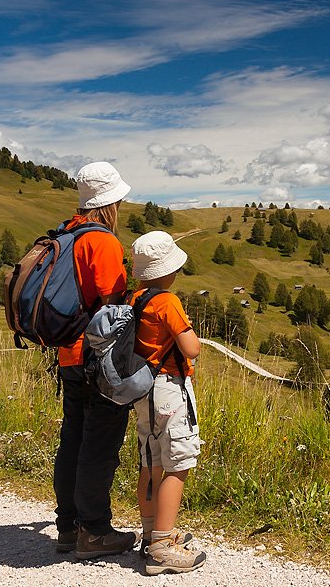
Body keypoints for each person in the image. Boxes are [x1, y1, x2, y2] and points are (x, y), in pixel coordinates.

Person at [53, 161, 139, 559]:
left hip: (68, 354)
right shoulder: (102, 241)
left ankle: (68, 527)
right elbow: (114, 303)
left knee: (72, 439)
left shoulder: (67, 233)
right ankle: (95, 531)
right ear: (111, 202)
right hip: (96, 359)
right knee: (99, 443)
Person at [128, 231, 206, 575]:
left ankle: (150, 533)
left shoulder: (135, 299)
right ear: (168, 270)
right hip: (170, 389)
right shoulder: (167, 301)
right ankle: (162, 547)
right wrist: (190, 333)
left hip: (143, 389)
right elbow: (191, 349)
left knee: (150, 461)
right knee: (178, 463)